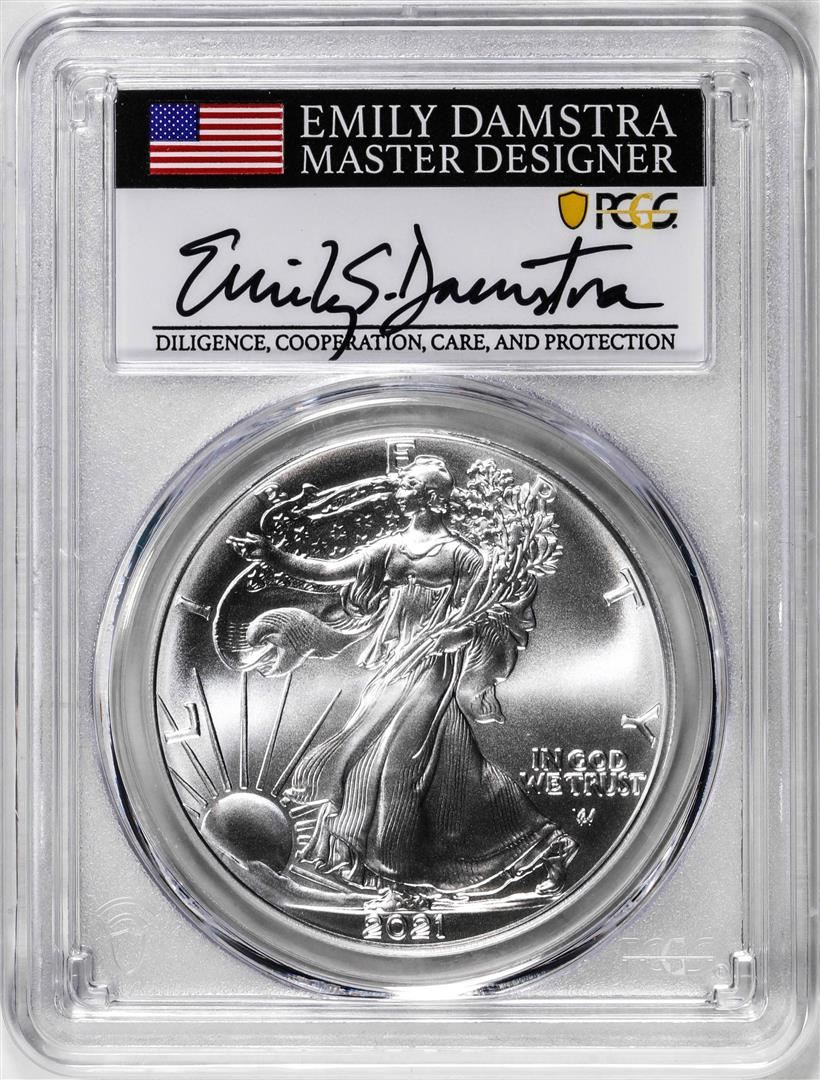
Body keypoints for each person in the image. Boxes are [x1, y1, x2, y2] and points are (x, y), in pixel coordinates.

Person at [231, 456, 576, 902]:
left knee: (397, 764)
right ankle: (537, 846)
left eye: (409, 484)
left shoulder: (462, 556)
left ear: (431, 497)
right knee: (384, 759)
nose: (399, 489)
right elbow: (330, 571)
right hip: (393, 664)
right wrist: (275, 557)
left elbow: (482, 620)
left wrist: (451, 636)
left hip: (433, 669)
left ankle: (395, 872)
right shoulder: (391, 548)